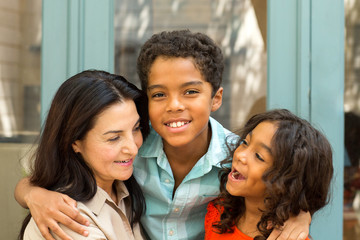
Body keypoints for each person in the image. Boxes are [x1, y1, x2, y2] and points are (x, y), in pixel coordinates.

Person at [15, 30, 311, 240]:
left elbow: (283, 184)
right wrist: (34, 195)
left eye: (191, 92)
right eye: (159, 94)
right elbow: (49, 172)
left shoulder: (238, 157)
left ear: (216, 98)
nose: (175, 106)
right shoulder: (130, 150)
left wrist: (301, 212)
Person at [18, 70, 150, 240]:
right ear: (74, 141)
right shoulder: (69, 216)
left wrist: (28, 192)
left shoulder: (122, 188)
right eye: (114, 138)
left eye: (136, 128)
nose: (133, 148)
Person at [204, 109, 333, 240]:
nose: (240, 155)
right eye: (245, 143)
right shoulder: (219, 211)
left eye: (259, 156)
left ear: (286, 182)